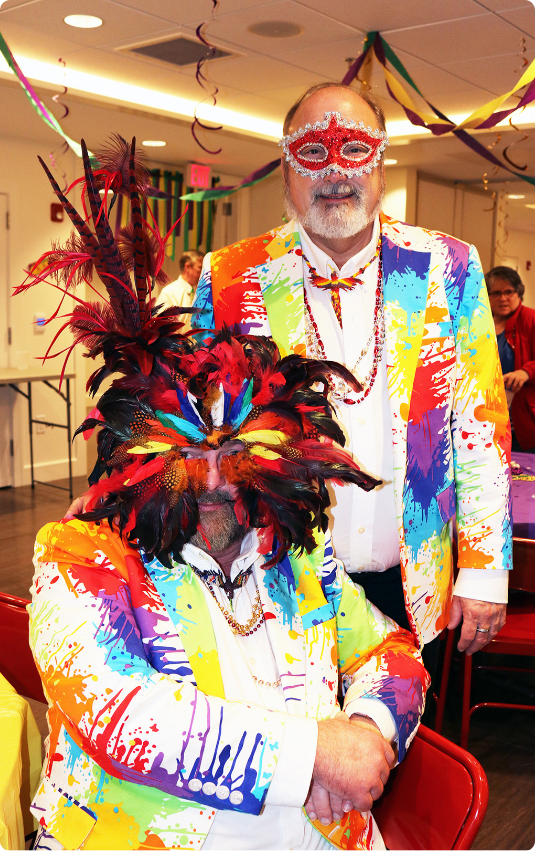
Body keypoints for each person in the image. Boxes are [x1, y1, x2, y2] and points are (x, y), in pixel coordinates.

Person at [25, 137, 428, 851]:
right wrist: (313, 754)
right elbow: (126, 716)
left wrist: (369, 729)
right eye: (187, 456)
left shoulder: (293, 556)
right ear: (138, 455)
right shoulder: (82, 560)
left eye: (238, 455)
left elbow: (390, 649)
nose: (213, 482)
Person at [192, 83, 512, 674]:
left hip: (419, 583)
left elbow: (480, 426)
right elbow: (197, 424)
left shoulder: (451, 266)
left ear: (381, 162)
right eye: (313, 152)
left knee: (411, 752)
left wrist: (486, 570)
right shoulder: (232, 276)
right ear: (287, 166)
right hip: (280, 581)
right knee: (313, 757)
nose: (335, 171)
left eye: (355, 149)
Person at [486, 265, 535, 452]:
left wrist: (526, 372)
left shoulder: (531, 319)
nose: (503, 298)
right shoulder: (480, 322)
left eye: (508, 292)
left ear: (519, 293)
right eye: (496, 293)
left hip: (522, 420)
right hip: (487, 417)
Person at [158, 248, 204, 330]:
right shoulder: (169, 292)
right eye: (200, 268)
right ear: (188, 267)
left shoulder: (201, 291)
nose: (203, 273)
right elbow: (162, 326)